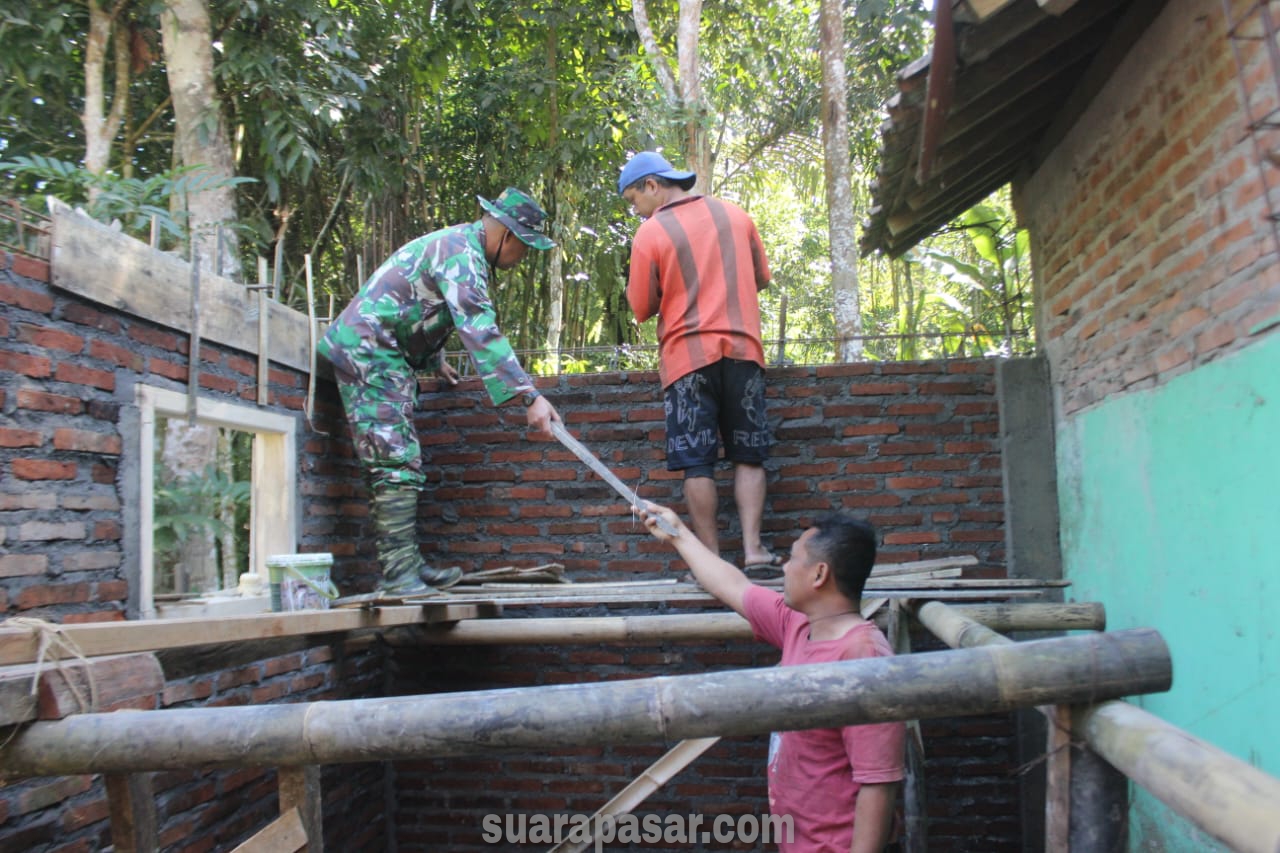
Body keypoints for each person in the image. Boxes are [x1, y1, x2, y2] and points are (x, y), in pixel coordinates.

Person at [318, 187, 562, 596]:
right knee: (395, 460)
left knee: (401, 459)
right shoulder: (462, 256)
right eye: (524, 248)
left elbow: (415, 307)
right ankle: (398, 575)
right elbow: (480, 330)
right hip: (367, 349)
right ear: (508, 235)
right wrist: (530, 396)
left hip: (379, 348)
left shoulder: (460, 247)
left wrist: (434, 359)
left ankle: (407, 565)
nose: (521, 260)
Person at [636, 501, 905, 853]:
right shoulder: (798, 625)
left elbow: (878, 783)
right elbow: (732, 585)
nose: (784, 566)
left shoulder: (863, 654)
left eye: (793, 559)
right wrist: (677, 533)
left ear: (819, 575)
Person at [619, 151, 777, 571]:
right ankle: (754, 550)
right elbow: (762, 277)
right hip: (744, 352)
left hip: (686, 360)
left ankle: (711, 560)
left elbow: (640, 306)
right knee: (749, 454)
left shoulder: (651, 233)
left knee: (697, 463)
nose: (635, 209)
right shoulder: (736, 216)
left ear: (652, 185)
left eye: (633, 198)